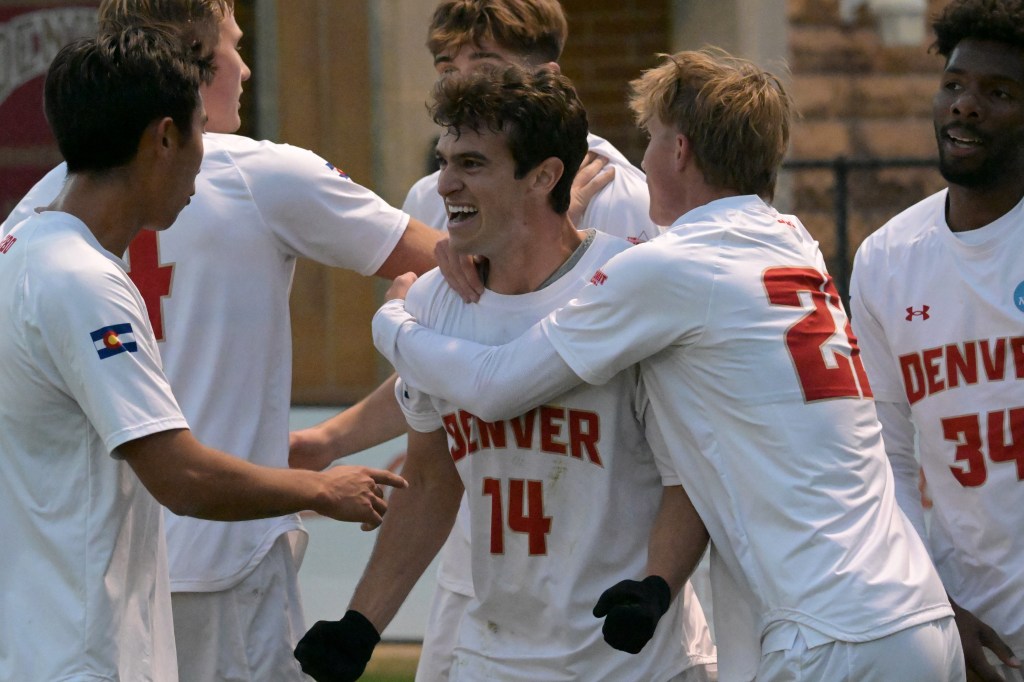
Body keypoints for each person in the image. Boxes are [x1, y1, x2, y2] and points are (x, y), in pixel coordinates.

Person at [370, 48, 968, 680]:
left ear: (679, 150)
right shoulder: (793, 240)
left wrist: (394, 322)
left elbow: (496, 387)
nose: (643, 160)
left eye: (650, 138)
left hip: (827, 631)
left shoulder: (672, 266)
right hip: (913, 610)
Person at [0, 1, 453, 679]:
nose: (243, 68)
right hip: (189, 573)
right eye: (232, 46)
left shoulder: (24, 227)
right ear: (169, 126)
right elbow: (461, 270)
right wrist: (317, 486)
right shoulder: (98, 270)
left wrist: (328, 441)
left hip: (84, 594)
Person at [287, 2, 716, 679]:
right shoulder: (435, 289)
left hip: (626, 654)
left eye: (470, 163)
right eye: (444, 160)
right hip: (493, 628)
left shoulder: (633, 267)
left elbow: (686, 472)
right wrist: (361, 622)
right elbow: (432, 473)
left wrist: (656, 587)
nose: (444, 184)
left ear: (546, 174)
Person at [850, 1, 1024, 680]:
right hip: (966, 631)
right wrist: (934, 604)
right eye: (953, 84)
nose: (965, 106)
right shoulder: (886, 258)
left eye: (999, 93)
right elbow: (886, 457)